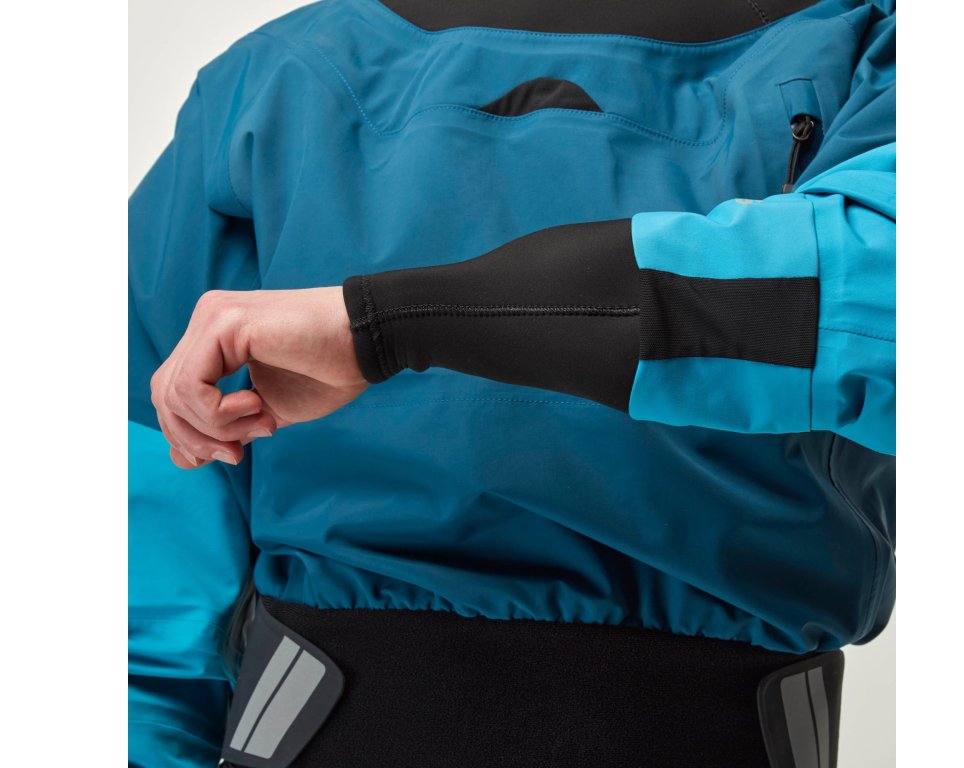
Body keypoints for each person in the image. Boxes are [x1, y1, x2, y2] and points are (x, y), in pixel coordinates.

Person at [128, 0, 895, 765]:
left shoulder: (868, 55)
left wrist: (388, 325)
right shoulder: (280, 78)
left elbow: (879, 297)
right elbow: (145, 527)